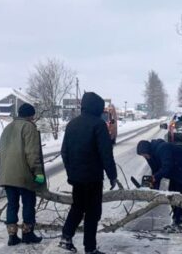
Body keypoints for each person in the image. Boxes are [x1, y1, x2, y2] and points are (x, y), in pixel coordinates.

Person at [59, 92, 118, 254]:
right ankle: (90, 248)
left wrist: (71, 172)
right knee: (93, 212)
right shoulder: (98, 125)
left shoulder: (72, 124)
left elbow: (64, 152)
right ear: (97, 107)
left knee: (77, 207)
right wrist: (112, 175)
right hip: (93, 178)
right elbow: (106, 154)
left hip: (77, 177)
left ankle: (66, 236)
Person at [0, 103, 46, 246]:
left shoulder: (7, 128)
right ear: (31, 115)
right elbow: (32, 152)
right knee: (28, 203)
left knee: (12, 204)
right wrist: (37, 172)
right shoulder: (28, 127)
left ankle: (12, 236)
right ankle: (27, 233)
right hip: (23, 174)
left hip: (7, 175)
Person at [136, 139, 182, 233]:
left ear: (147, 150)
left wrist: (154, 178)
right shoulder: (151, 155)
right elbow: (155, 171)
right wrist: (153, 190)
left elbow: (167, 167)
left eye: (144, 154)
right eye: (143, 156)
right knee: (172, 195)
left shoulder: (163, 148)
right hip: (176, 172)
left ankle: (179, 224)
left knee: (180, 198)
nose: (144, 157)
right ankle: (175, 222)